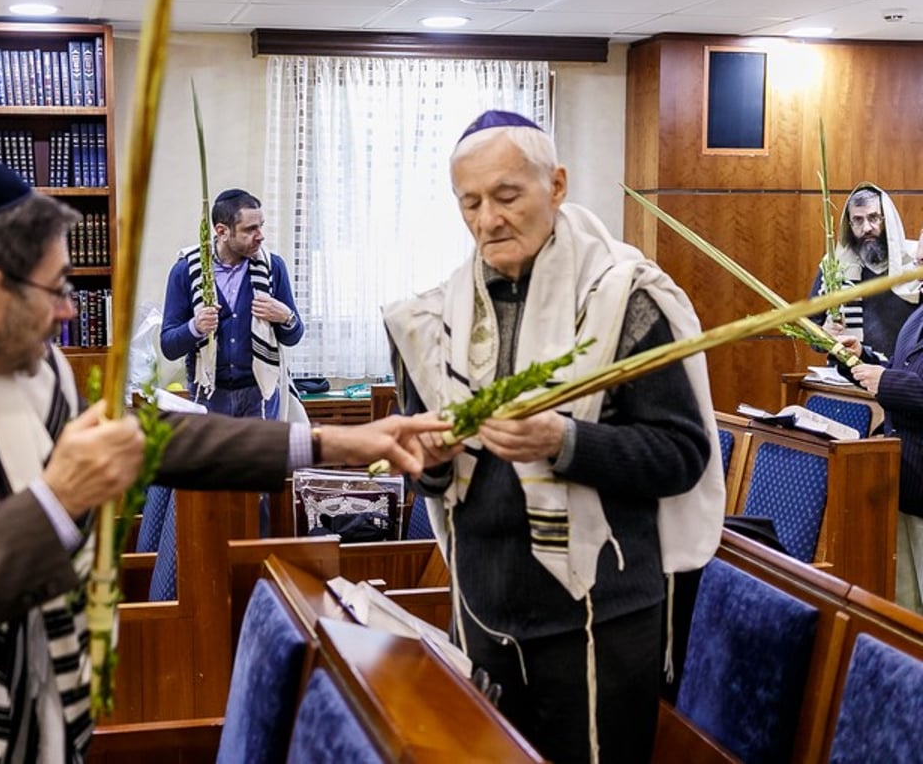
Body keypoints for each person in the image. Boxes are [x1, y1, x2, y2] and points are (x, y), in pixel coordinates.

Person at [0, 162, 443, 763]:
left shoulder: (23, 369)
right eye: (59, 287)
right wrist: (52, 501)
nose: (71, 311)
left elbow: (149, 438)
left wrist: (328, 444)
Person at [382, 111, 725, 764]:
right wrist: (427, 462)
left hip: (601, 619)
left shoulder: (627, 300)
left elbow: (681, 455)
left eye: (508, 196)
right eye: (471, 203)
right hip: (480, 610)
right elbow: (426, 474)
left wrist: (565, 442)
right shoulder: (432, 322)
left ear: (557, 185)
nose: (489, 220)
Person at [160, 188, 303, 419]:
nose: (260, 235)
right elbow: (168, 346)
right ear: (222, 232)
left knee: (261, 456)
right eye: (250, 229)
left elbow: (293, 336)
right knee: (214, 458)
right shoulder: (186, 270)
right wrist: (195, 327)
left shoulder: (273, 267)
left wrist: (286, 317)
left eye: (261, 226)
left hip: (261, 395)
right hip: (209, 395)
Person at [839, 322, 923, 613]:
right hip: (902, 485)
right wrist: (861, 359)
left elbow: (898, 382)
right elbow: (906, 371)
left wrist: (886, 381)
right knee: (905, 613)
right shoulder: (917, 315)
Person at [810, 183, 920, 356]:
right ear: (850, 225)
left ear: (887, 220)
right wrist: (824, 335)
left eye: (874, 217)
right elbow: (812, 328)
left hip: (900, 376)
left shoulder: (916, 262)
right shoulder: (834, 265)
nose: (867, 228)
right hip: (850, 372)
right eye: (858, 220)